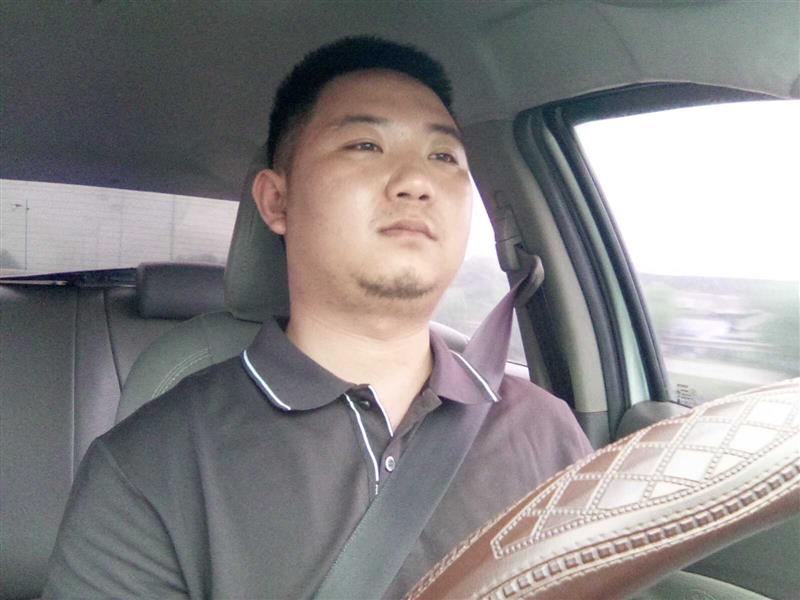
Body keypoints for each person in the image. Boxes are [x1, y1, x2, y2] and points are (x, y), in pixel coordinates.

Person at [43, 36, 592, 599]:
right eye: (365, 145)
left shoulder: (546, 430)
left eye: (444, 157)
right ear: (276, 202)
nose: (417, 181)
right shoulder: (151, 468)